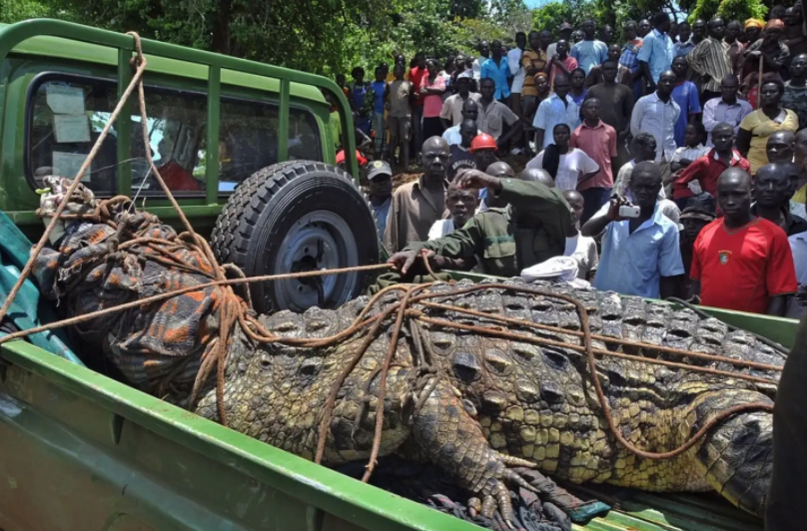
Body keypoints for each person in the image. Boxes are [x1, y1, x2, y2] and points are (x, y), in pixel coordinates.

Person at [388, 168, 573, 277]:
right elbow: (451, 242)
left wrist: (493, 181)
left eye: (540, 199)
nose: (538, 204)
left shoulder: (555, 220)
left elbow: (556, 201)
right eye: (532, 198)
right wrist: (415, 248)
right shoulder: (488, 221)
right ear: (520, 196)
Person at [689, 167, 797, 315]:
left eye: (737, 194)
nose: (730, 201)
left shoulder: (774, 235)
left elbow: (779, 295)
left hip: (748, 330)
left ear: (751, 193)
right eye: (724, 195)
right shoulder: (706, 232)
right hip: (707, 326)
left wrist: (768, 332)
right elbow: (695, 283)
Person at [582, 161, 684, 299]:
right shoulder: (613, 209)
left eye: (649, 187)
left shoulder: (668, 229)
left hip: (641, 306)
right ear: (630, 185)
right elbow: (585, 231)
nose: (643, 192)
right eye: (639, 186)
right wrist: (608, 218)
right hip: (602, 298)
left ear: (659, 188)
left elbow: (668, 276)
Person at [384, 137, 450, 253]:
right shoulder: (404, 194)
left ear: (449, 160)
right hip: (412, 268)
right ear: (420, 158)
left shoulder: (459, 197)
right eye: (430, 156)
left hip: (451, 268)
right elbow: (390, 241)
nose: (437, 161)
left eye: (442, 157)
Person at [673, 122, 750, 204]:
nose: (723, 140)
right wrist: (694, 200)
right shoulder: (704, 162)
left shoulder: (743, 163)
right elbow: (680, 182)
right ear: (713, 141)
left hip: (738, 209)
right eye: (719, 137)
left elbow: (749, 187)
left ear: (734, 139)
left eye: (726, 137)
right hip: (712, 210)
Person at [737, 76, 800, 173]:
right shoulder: (751, 117)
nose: (767, 94)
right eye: (764, 92)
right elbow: (741, 144)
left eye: (772, 92)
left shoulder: (791, 115)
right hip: (757, 164)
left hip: (786, 164)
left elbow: (797, 138)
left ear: (781, 94)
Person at [630, 70, 680, 187]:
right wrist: (643, 149)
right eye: (664, 81)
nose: (667, 84)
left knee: (664, 193)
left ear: (675, 84)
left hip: (667, 158)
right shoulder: (644, 102)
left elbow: (672, 127)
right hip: (647, 157)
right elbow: (634, 128)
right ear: (658, 82)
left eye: (671, 81)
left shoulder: (676, 108)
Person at [571, 98, 618, 219]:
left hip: (605, 182)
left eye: (596, 108)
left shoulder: (610, 131)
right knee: (586, 217)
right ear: (584, 111)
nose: (593, 110)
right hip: (584, 183)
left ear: (600, 110)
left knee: (605, 217)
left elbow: (613, 157)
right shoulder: (576, 134)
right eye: (590, 108)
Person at [586, 60, 634, 168]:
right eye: (607, 69)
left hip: (618, 136)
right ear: (602, 71)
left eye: (612, 69)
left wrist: (625, 132)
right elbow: (584, 113)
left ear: (616, 71)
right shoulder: (593, 90)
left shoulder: (625, 90)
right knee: (597, 164)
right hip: (597, 134)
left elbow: (631, 114)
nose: (610, 72)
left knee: (618, 165)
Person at [526, 123, 599, 191]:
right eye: (557, 134)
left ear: (569, 136)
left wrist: (579, 181)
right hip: (552, 196)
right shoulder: (547, 153)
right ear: (553, 136)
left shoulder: (577, 154)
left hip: (569, 196)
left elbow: (595, 168)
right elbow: (529, 168)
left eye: (563, 133)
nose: (560, 136)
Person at [677, 194, 717, 299]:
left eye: (698, 222)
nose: (691, 226)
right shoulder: (677, 243)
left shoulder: (718, 245)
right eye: (687, 222)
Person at [752, 162, 807, 236]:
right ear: (754, 185)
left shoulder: (800, 227)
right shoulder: (738, 222)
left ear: (787, 188)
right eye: (763, 183)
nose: (770, 188)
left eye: (777, 183)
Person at [687, 17, 733, 105]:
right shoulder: (707, 43)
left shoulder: (724, 44)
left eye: (721, 26)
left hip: (725, 89)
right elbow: (690, 57)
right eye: (715, 27)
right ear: (709, 30)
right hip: (712, 89)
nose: (719, 28)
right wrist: (703, 73)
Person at [701, 74, 753, 146]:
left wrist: (718, 128)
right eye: (725, 87)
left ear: (737, 88)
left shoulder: (746, 107)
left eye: (732, 87)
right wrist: (733, 123)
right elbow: (707, 125)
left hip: (734, 149)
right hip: (712, 149)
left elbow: (743, 130)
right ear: (720, 88)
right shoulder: (710, 104)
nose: (728, 90)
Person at [533, 74, 580, 150]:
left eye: (565, 86)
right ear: (554, 88)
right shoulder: (546, 104)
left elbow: (576, 128)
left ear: (569, 87)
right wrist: (539, 152)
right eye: (560, 86)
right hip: (550, 148)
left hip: (570, 149)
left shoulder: (573, 104)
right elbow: (540, 130)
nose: (563, 89)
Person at [562, 190, 599, 280]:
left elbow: (592, 273)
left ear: (582, 211)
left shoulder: (587, 241)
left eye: (577, 207)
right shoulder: (546, 236)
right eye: (568, 205)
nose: (572, 211)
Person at [638, 12, 674, 92]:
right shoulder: (650, 38)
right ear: (664, 22)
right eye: (669, 22)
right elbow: (643, 61)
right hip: (656, 81)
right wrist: (651, 82)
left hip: (669, 81)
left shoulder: (668, 39)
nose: (670, 25)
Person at [476, 78, 520, 145]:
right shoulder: (473, 105)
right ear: (480, 89)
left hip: (492, 147)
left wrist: (503, 140)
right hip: (475, 145)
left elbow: (517, 123)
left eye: (490, 88)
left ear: (494, 90)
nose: (487, 90)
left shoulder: (500, 107)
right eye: (485, 87)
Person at [670, 56, 702, 147]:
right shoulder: (665, 85)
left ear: (687, 68)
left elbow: (694, 113)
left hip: (681, 130)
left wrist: (688, 134)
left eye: (682, 65)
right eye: (677, 64)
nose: (679, 66)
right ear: (672, 66)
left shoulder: (690, 87)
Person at [614, 132, 658, 198]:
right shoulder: (628, 169)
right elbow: (618, 194)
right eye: (651, 148)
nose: (655, 152)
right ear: (639, 149)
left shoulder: (653, 167)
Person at [387, 63, 413, 171]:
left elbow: (412, 100)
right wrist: (387, 103)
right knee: (393, 139)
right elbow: (385, 96)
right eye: (394, 69)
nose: (395, 71)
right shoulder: (389, 84)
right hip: (393, 115)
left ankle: (406, 165)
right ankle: (392, 164)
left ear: (403, 71)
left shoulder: (409, 84)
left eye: (398, 69)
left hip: (404, 115)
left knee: (405, 139)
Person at [522, 31, 550, 125]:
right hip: (529, 88)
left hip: (543, 89)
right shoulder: (526, 53)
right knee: (528, 116)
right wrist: (543, 70)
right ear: (529, 41)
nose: (535, 41)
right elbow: (529, 69)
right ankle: (529, 138)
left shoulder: (544, 54)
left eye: (536, 38)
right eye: (532, 39)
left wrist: (539, 69)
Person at [420, 59, 447, 140]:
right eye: (427, 67)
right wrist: (435, 91)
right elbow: (421, 91)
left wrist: (428, 88)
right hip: (427, 113)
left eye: (431, 66)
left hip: (438, 113)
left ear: (436, 67)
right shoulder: (424, 78)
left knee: (439, 135)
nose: (429, 69)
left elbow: (442, 90)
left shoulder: (441, 78)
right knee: (427, 136)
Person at [366, 160, 393, 239]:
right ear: (368, 184)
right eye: (377, 179)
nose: (382, 183)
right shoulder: (363, 208)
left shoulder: (400, 205)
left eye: (385, 178)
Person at [619, 20, 645, 101]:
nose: (629, 32)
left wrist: (632, 77)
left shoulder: (642, 43)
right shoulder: (626, 45)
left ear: (636, 30)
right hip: (623, 77)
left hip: (635, 77)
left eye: (631, 30)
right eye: (627, 30)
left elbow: (643, 65)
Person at [409, 53, 429, 155]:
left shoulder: (429, 70)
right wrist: (413, 94)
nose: (421, 62)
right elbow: (410, 87)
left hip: (427, 104)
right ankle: (418, 153)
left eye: (422, 60)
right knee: (416, 129)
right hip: (416, 104)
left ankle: (426, 151)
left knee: (424, 128)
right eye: (418, 61)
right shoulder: (412, 72)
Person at [783, 54, 807, 131]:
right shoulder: (780, 88)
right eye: (795, 64)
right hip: (783, 129)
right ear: (790, 68)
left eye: (802, 64)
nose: (798, 66)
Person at [369, 67, 388, 159]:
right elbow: (369, 100)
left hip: (387, 112)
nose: (379, 75)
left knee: (385, 133)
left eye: (381, 74)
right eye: (377, 73)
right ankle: (377, 154)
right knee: (379, 133)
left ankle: (385, 154)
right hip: (377, 112)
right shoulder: (372, 86)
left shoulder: (387, 84)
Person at [508, 32, 527, 119]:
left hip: (528, 85)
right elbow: (513, 71)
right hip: (517, 86)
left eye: (523, 40)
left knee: (527, 113)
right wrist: (520, 59)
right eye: (519, 40)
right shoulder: (511, 53)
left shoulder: (529, 52)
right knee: (517, 115)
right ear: (516, 41)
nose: (521, 42)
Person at [348, 67, 371, 135]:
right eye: (357, 75)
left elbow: (369, 98)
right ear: (355, 77)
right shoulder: (351, 86)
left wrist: (365, 108)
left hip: (365, 114)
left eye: (360, 75)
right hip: (356, 115)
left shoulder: (366, 86)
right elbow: (350, 100)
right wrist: (357, 109)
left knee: (366, 134)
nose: (359, 77)